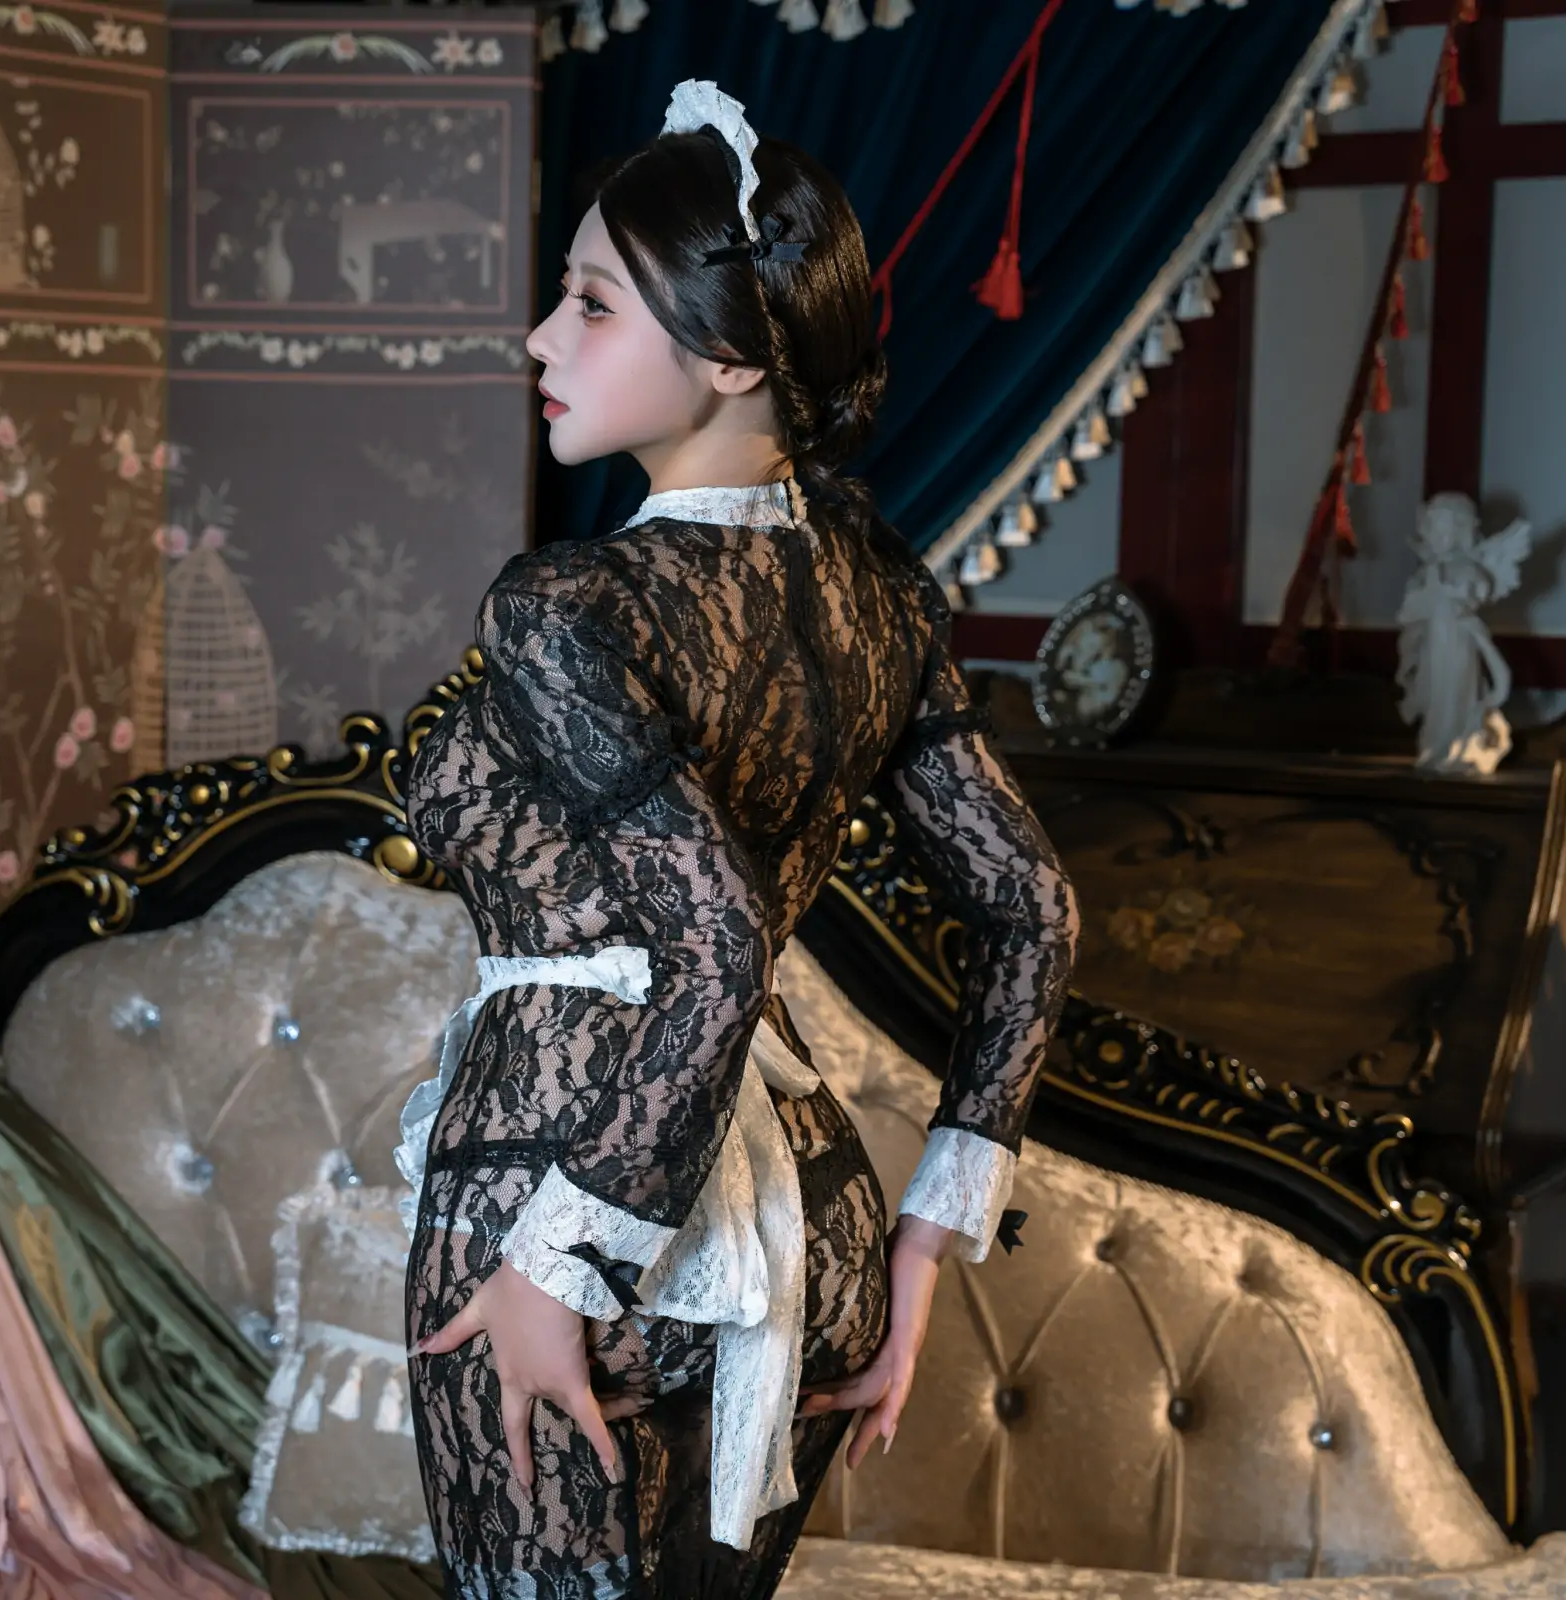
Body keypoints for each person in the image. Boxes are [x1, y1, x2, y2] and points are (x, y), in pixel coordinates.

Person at [397, 80, 1078, 1600]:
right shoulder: (881, 595)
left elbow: (711, 939)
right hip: (811, 1218)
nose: (540, 340)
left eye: (590, 305)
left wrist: (557, 1266)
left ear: (732, 356)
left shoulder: (568, 604)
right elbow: (1034, 913)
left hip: (555, 1184)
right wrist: (921, 1246)